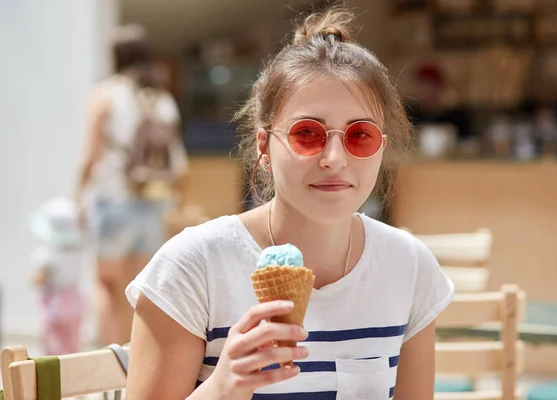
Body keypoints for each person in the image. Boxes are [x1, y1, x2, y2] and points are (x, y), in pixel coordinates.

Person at [125, 8, 453, 400]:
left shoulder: (408, 268)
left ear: (381, 149)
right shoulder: (193, 268)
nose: (334, 158)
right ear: (264, 146)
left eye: (359, 135)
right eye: (308, 134)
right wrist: (223, 386)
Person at [74, 24, 189, 346]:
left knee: (105, 286)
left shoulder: (105, 95)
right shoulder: (162, 97)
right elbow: (177, 158)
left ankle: (111, 370)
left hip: (115, 199)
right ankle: (133, 367)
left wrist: (77, 197)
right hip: (155, 202)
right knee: (139, 290)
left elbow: (91, 156)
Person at [29, 197, 84, 355]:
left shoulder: (47, 254)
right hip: (75, 301)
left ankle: (54, 374)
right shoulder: (76, 250)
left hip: (54, 303)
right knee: (72, 342)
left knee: (52, 344)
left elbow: (40, 277)